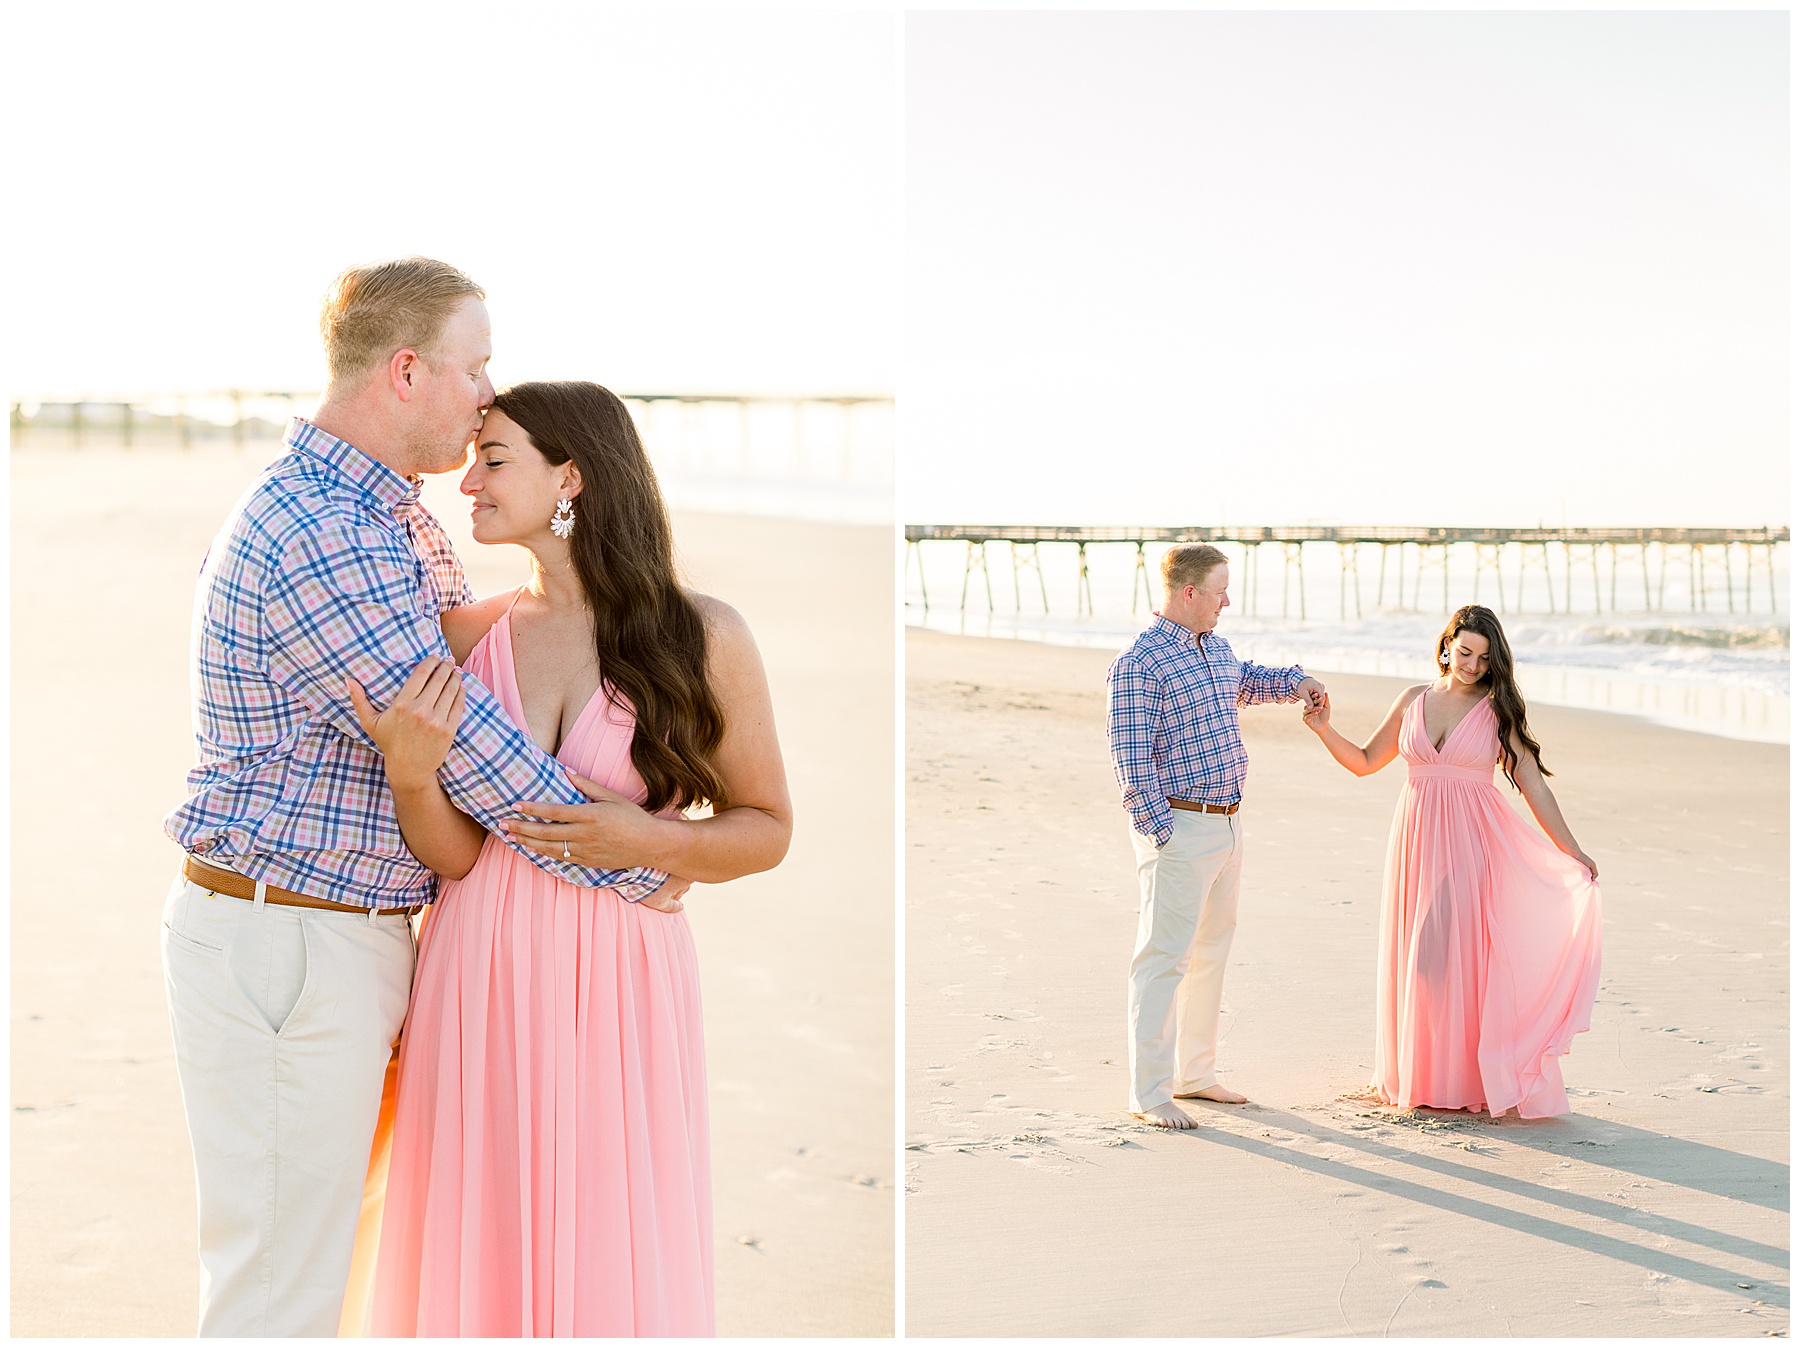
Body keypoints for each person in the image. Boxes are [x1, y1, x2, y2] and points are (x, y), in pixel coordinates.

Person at [160, 259, 678, 1337]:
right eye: (475, 364)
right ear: (407, 370)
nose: (489, 392)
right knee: (279, 1288)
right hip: (286, 945)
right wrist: (641, 858)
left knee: (331, 1267)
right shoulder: (323, 529)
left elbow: (459, 677)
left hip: (345, 941)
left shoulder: (395, 519)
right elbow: (470, 753)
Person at [351, 381, 792, 1336]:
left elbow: (766, 827)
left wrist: (652, 840)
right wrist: (415, 778)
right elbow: (458, 860)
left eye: (495, 458)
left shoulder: (704, 636)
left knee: (607, 1227)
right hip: (477, 968)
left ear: (574, 477)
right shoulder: (467, 636)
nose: (467, 481)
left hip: (621, 982)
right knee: (478, 1220)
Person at [1300, 603, 1602, 1118]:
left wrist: (1569, 848)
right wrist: (1324, 729)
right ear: (1446, 646)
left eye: (1484, 659)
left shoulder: (1495, 711)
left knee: (1438, 959)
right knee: (1421, 959)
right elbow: (1367, 763)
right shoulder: (1413, 700)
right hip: (1415, 841)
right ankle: (1425, 1077)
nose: (1472, 666)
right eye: (1464, 652)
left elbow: (1531, 782)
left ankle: (1461, 1080)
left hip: (1469, 843)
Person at [1105, 544, 1329, 1129]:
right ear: (1189, 592)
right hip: (1179, 826)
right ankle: (1149, 1092)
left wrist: (1297, 682)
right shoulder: (1140, 663)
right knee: (1163, 960)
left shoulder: (1216, 650)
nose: (1227, 601)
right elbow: (1131, 762)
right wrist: (1164, 834)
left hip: (1227, 822)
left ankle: (1195, 1075)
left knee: (1210, 955)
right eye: (1220, 590)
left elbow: (1247, 680)